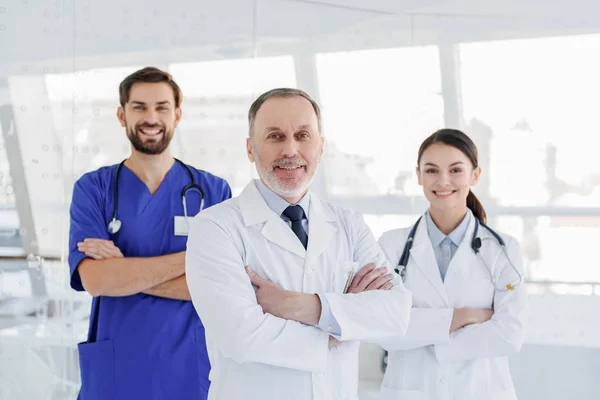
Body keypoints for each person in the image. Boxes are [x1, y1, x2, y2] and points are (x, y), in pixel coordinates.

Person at [185, 88, 413, 400]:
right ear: (251, 149)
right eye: (275, 136)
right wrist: (339, 327)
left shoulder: (349, 225)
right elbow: (241, 335)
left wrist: (300, 306)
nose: (290, 150)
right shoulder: (215, 228)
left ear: (320, 147)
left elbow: (395, 313)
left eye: (303, 135)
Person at [68, 67, 231, 400]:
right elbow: (96, 281)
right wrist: (193, 260)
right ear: (121, 114)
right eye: (139, 107)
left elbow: (222, 286)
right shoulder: (94, 189)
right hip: (117, 369)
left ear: (177, 114)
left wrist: (124, 271)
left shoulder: (213, 191)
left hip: (190, 367)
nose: (151, 117)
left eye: (161, 107)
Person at [377, 129, 527, 400]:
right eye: (432, 170)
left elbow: (509, 334)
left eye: (455, 170)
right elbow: (382, 329)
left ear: (475, 175)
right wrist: (464, 317)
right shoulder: (391, 245)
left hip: (481, 391)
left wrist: (425, 336)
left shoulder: (503, 250)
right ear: (419, 176)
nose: (443, 180)